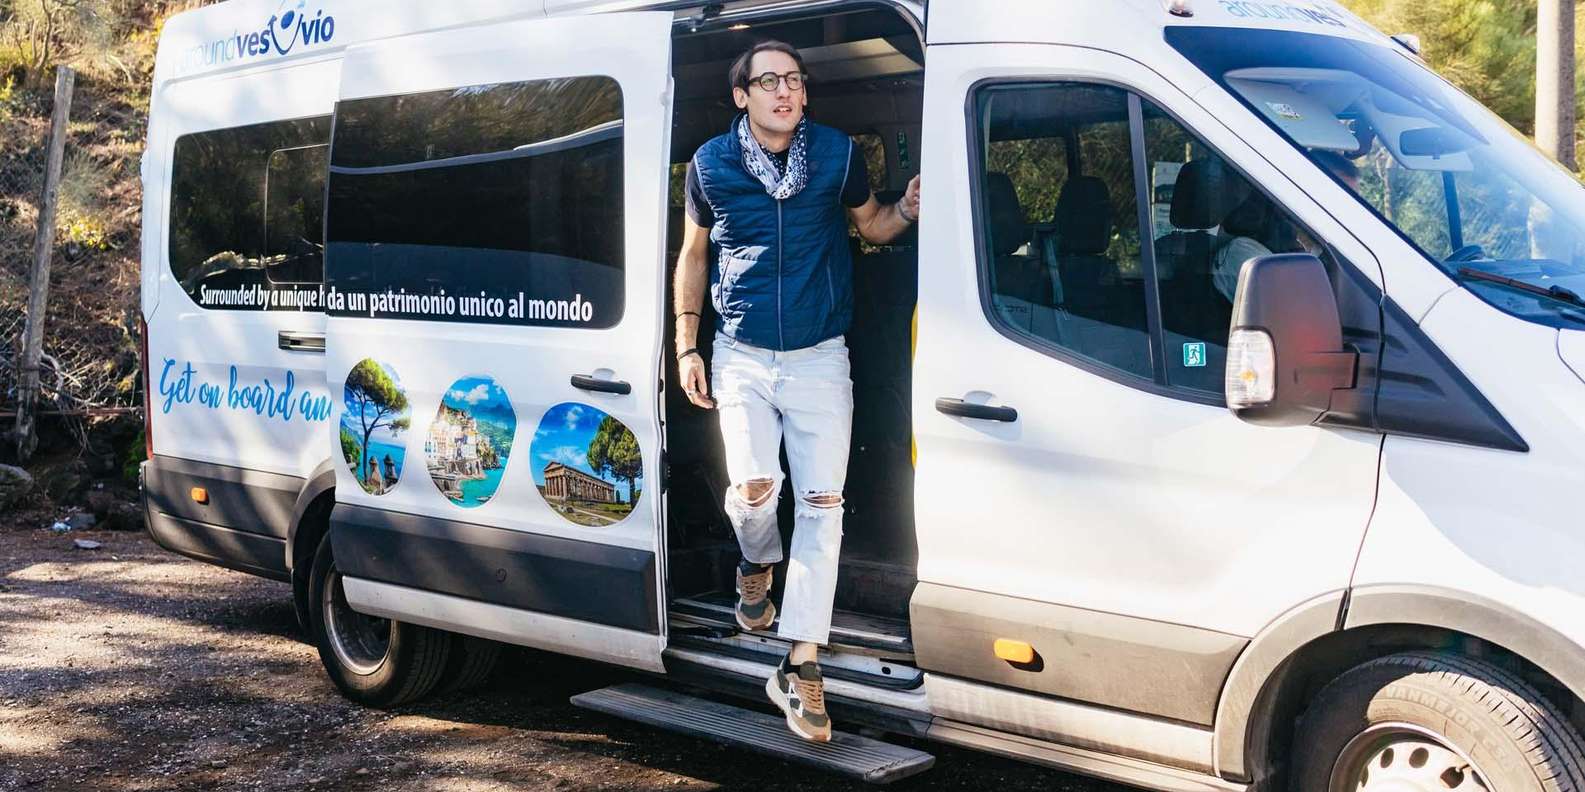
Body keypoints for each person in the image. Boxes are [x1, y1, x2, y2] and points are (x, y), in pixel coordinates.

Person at [672, 39, 921, 742]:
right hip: (741, 354)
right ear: (741, 96)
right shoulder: (709, 166)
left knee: (821, 507)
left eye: (794, 80)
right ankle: (756, 561)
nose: (784, 91)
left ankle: (799, 661)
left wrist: (905, 208)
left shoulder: (837, 156)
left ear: (805, 94)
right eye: (769, 81)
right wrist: (686, 344)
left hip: (819, 357)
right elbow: (694, 255)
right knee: (755, 489)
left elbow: (871, 225)